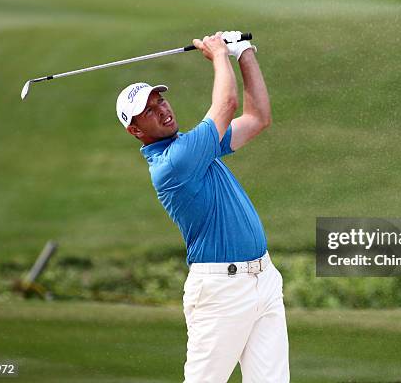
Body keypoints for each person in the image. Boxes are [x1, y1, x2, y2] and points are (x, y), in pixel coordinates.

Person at [115, 31, 289, 383]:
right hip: (221, 291)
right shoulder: (174, 162)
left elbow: (258, 119)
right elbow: (226, 106)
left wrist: (244, 54)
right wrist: (218, 55)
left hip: (264, 280)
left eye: (159, 100)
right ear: (135, 131)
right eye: (148, 111)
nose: (161, 109)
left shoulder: (194, 146)